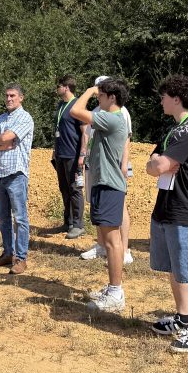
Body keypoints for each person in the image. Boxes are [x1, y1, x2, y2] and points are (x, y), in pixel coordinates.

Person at [146, 75, 188, 353]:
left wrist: (159, 164)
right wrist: (158, 163)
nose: (160, 101)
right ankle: (182, 318)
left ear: (175, 98)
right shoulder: (176, 129)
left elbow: (158, 166)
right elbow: (153, 163)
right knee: (176, 268)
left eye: (163, 96)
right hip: (169, 207)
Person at [70, 78, 130, 312]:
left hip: (109, 185)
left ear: (112, 98)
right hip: (103, 184)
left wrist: (87, 91)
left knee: (113, 242)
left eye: (101, 96)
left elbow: (75, 110)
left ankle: (116, 293)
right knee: (107, 240)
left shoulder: (112, 117)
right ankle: (112, 287)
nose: (98, 99)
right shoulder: (110, 118)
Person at [81, 75, 134, 266]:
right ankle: (103, 245)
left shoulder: (120, 113)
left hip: (114, 171)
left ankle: (124, 249)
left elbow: (126, 140)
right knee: (103, 217)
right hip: (99, 170)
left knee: (120, 209)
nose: (97, 95)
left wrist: (124, 165)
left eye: (100, 92)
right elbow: (88, 135)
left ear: (111, 95)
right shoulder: (99, 109)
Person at [0, 83, 35, 274]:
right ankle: (8, 253)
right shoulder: (1, 118)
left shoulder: (25, 118)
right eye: (7, 96)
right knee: (3, 217)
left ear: (21, 97)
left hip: (16, 173)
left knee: (20, 218)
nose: (9, 99)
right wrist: (1, 145)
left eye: (13, 95)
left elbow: (6, 137)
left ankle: (21, 258)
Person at [51, 75, 88, 239]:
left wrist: (82, 155)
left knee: (75, 189)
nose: (56, 88)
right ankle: (68, 222)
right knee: (64, 188)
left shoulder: (77, 105)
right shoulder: (61, 105)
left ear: (66, 87)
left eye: (58, 85)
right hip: (60, 154)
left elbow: (85, 132)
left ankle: (79, 225)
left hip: (73, 154)